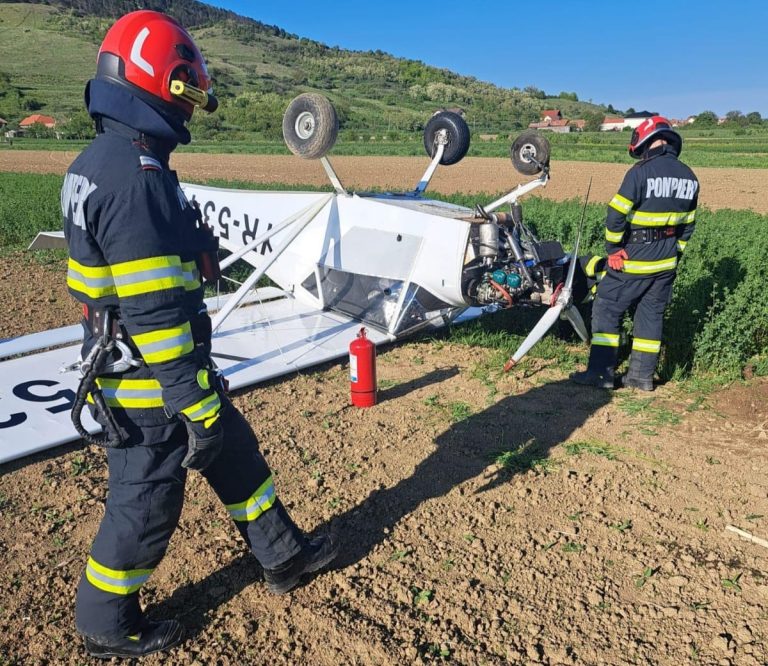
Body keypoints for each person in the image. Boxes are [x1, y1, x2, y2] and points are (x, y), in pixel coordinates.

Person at [62, 10, 338, 659]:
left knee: (236, 456)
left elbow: (134, 263)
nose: (189, 105)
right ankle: (104, 618)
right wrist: (194, 401)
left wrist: (194, 246)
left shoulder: (105, 161)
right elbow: (156, 314)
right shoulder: (136, 178)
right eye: (187, 89)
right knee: (146, 505)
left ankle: (283, 556)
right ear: (163, 83)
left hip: (141, 369)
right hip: (149, 386)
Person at [570, 116, 698, 391]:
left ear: (647, 141)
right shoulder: (690, 177)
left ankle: (600, 374)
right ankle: (641, 378)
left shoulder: (641, 172)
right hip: (667, 261)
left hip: (635, 257)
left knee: (606, 305)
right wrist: (675, 255)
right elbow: (688, 225)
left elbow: (616, 214)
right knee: (650, 316)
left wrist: (614, 250)